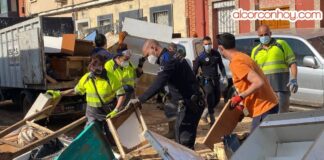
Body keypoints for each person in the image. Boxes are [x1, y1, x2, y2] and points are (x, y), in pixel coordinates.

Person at [128, 39, 204, 149]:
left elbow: (159, 83)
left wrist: (140, 99)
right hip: (190, 102)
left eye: (147, 55)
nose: (147, 59)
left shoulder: (168, 59)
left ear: (154, 48)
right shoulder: (170, 56)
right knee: (181, 138)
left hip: (190, 104)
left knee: (184, 141)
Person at [47, 54, 126, 140]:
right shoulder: (87, 78)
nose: (94, 72)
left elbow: (121, 94)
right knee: (89, 134)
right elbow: (75, 91)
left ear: (102, 67)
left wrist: (116, 110)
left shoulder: (111, 78)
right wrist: (59, 93)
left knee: (111, 136)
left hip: (108, 112)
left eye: (97, 69)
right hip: (92, 112)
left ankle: (113, 149)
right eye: (92, 69)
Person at [217, 33, 279, 131]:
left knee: (257, 143)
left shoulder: (236, 62)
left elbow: (258, 82)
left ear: (221, 48)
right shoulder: (242, 56)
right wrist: (243, 105)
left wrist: (240, 97)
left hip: (263, 107)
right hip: (268, 105)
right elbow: (247, 85)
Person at [251, 25, 298, 113]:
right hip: (264, 91)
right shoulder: (255, 51)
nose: (264, 37)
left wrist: (294, 79)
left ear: (270, 34)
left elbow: (292, 63)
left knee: (281, 117)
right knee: (266, 118)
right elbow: (253, 72)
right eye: (261, 35)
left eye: (266, 34)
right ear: (258, 36)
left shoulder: (281, 44)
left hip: (281, 89)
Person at [193, 36, 227, 126]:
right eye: (206, 44)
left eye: (209, 44)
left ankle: (204, 114)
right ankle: (212, 120)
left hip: (216, 80)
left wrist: (224, 77)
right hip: (206, 81)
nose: (208, 45)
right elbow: (194, 70)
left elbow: (221, 66)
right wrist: (193, 82)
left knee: (217, 99)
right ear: (203, 45)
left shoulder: (216, 54)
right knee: (209, 96)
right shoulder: (201, 57)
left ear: (212, 44)